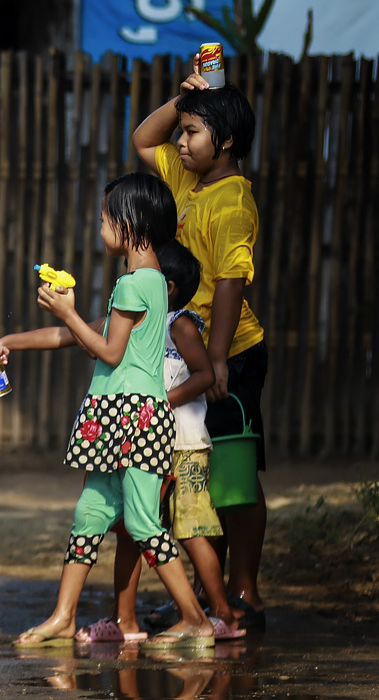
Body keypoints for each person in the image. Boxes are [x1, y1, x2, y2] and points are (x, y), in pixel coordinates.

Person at [0, 172, 214, 650]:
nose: (101, 224)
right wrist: (12, 342)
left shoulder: (137, 284)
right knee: (91, 513)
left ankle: (196, 620)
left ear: (133, 223)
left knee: (143, 522)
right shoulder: (144, 282)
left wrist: (66, 312)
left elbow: (106, 351)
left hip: (133, 417)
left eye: (106, 217)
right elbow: (76, 337)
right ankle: (63, 616)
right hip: (121, 416)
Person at [132, 70, 267, 632]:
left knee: (231, 475)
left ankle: (244, 591)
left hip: (228, 353)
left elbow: (232, 284)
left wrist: (212, 363)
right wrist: (185, 98)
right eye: (181, 132)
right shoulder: (188, 179)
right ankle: (210, 595)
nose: (179, 142)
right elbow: (143, 139)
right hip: (188, 349)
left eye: (192, 132)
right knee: (188, 473)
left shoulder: (233, 202)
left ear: (227, 141)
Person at [74, 241, 245, 644]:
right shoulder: (134, 323)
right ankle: (124, 620)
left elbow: (204, 374)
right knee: (133, 529)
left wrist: (160, 402)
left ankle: (221, 614)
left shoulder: (178, 324)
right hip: (144, 442)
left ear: (164, 287)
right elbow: (76, 334)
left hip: (182, 443)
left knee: (190, 527)